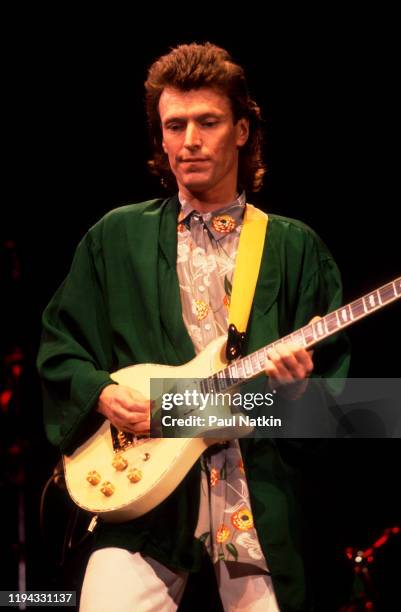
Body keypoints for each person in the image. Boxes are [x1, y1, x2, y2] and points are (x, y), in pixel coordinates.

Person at [37, 42, 349, 612]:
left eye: (207, 122)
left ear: (242, 129)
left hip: (258, 501)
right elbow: (60, 352)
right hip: (145, 501)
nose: (188, 141)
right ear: (159, 135)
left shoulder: (295, 247)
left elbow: (352, 408)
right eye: (173, 125)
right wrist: (102, 392)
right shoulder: (115, 237)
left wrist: (299, 393)